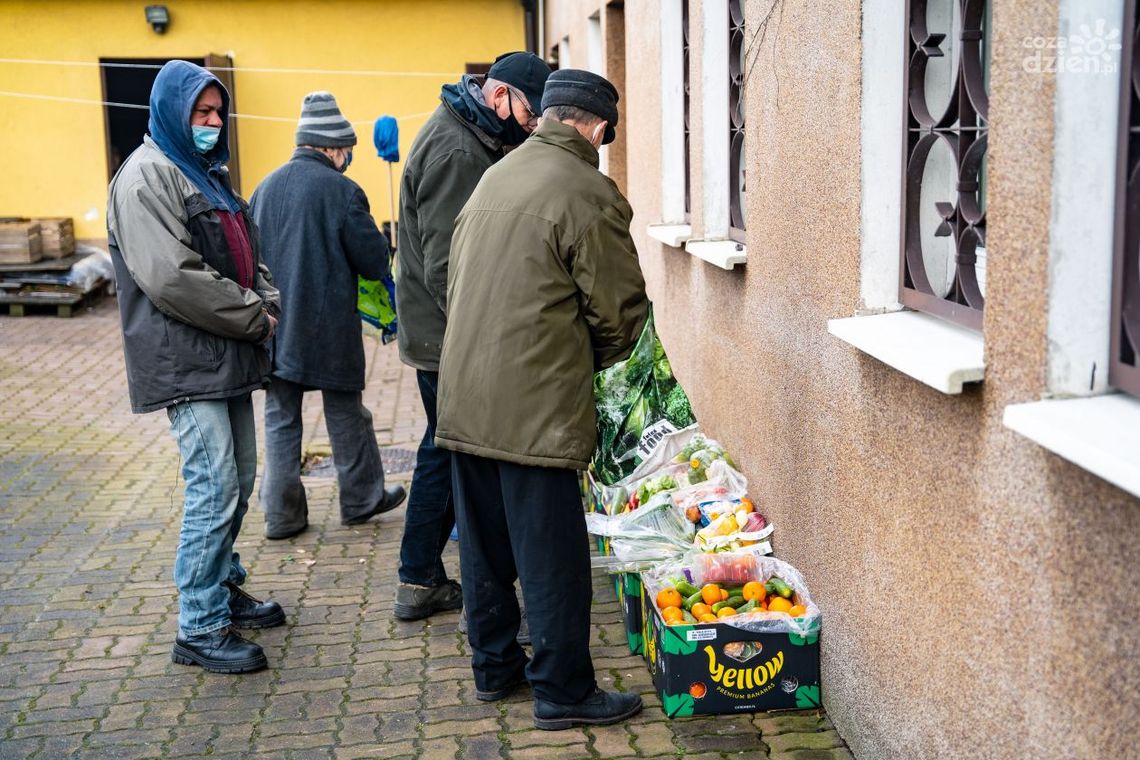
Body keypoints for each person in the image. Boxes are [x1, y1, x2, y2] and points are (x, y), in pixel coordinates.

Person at [435, 69, 648, 728]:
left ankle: (495, 669)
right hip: (535, 406)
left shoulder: (495, 176)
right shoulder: (586, 190)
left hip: (466, 396)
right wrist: (606, 366)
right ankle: (562, 690)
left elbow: (456, 281)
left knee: (486, 550)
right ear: (596, 125)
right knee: (552, 555)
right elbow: (620, 312)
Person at [106, 60, 284, 674]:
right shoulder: (147, 178)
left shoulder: (203, 172)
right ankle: (199, 625)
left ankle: (222, 586)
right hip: (188, 359)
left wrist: (268, 298)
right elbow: (169, 277)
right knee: (214, 487)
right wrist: (253, 314)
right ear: (172, 114)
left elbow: (245, 251)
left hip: (223, 352)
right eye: (200, 114)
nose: (211, 124)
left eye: (217, 114)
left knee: (238, 477)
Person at [393, 51, 551, 621]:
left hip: (443, 331)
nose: (530, 128)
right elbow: (447, 267)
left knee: (444, 447)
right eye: (529, 115)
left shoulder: (473, 134)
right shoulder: (458, 150)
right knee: (448, 451)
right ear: (498, 96)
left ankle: (419, 579)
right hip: (445, 336)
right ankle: (419, 578)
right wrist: (485, 335)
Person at [251, 92, 406, 540]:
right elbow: (374, 262)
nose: (348, 158)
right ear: (332, 147)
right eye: (346, 149)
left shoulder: (264, 187)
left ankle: (281, 517)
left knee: (281, 418)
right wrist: (384, 243)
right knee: (346, 414)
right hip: (326, 328)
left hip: (273, 325)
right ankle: (360, 499)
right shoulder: (342, 191)